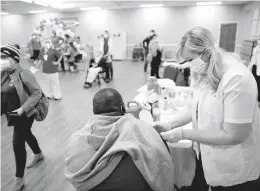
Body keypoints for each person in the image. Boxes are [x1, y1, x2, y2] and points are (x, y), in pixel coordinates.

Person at [153, 27, 260, 191]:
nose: (188, 65)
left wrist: (183, 134)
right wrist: (169, 124)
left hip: (235, 169)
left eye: (190, 59)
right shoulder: (204, 73)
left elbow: (234, 135)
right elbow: (194, 107)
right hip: (206, 154)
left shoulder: (237, 79)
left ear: (207, 53)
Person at [65, 88, 174, 191]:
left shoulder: (77, 138)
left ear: (94, 111)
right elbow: (160, 150)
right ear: (123, 108)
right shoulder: (137, 126)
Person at [1, 44, 44, 191]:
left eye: (3, 57)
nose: (1, 60)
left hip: (25, 113)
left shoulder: (24, 73)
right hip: (10, 112)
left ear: (13, 59)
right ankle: (38, 154)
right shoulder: (2, 73)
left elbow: (37, 93)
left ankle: (19, 179)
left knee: (17, 142)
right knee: (26, 133)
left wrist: (23, 108)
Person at [248, 36, 260, 107]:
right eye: (258, 40)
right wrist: (249, 68)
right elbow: (253, 59)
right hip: (255, 67)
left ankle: (258, 101)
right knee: (255, 83)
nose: (258, 41)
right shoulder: (256, 48)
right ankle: (255, 99)